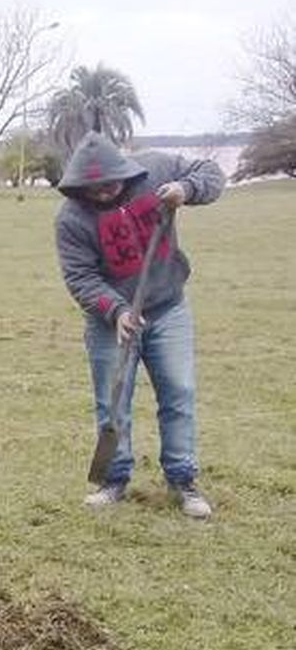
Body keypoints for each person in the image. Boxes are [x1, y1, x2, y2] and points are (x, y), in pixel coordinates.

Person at [54, 132, 224, 518]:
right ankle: (113, 481)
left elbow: (211, 173)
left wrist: (186, 188)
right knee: (112, 403)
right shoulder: (70, 219)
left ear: (124, 171)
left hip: (168, 307)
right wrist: (116, 311)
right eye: (93, 188)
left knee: (178, 392)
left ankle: (182, 480)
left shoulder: (156, 170)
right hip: (110, 321)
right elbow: (80, 278)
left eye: (110, 184)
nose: (103, 193)